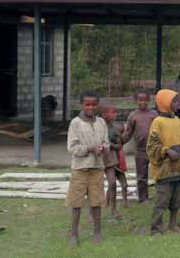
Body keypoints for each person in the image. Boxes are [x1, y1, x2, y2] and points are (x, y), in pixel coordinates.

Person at [65, 90, 109, 246]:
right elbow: (72, 147)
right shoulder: (75, 123)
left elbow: (106, 143)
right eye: (87, 104)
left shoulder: (101, 122)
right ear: (81, 105)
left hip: (97, 168)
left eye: (94, 104)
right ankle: (74, 234)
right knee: (76, 202)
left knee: (96, 202)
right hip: (80, 169)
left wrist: (103, 148)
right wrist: (91, 148)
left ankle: (97, 231)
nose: (91, 107)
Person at [146, 89, 180, 235]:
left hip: (178, 168)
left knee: (176, 201)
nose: (177, 104)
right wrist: (166, 151)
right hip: (164, 170)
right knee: (162, 200)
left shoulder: (177, 120)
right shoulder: (157, 122)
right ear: (164, 103)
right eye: (174, 101)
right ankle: (156, 228)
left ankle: (172, 225)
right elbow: (152, 146)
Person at [122, 89, 158, 204]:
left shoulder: (154, 114)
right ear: (136, 101)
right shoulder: (133, 115)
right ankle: (143, 198)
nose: (143, 102)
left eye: (145, 100)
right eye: (140, 100)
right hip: (140, 150)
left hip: (154, 149)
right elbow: (128, 132)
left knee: (158, 174)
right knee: (141, 176)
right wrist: (120, 142)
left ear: (149, 100)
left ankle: (161, 196)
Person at [100, 101, 128, 221]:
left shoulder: (114, 128)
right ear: (104, 115)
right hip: (102, 160)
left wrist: (109, 144)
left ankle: (113, 210)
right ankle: (107, 204)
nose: (116, 114)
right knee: (111, 183)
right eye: (113, 112)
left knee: (113, 183)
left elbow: (119, 146)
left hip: (113, 159)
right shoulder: (97, 127)